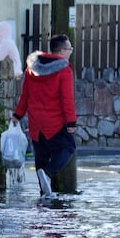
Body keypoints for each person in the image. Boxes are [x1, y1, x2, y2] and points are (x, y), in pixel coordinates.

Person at [12, 34, 77, 197]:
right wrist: (71, 122)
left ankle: (44, 199)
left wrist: (17, 115)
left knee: (41, 158)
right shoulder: (64, 71)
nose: (71, 52)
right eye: (69, 49)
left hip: (36, 124)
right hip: (55, 123)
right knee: (68, 147)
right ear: (61, 51)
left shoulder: (32, 68)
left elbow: (24, 96)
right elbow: (67, 99)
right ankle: (48, 173)